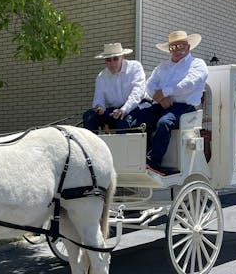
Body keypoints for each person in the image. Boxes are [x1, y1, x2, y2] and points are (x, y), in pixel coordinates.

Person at [142, 30, 208, 175]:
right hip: (161, 104)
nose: (177, 50)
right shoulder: (162, 67)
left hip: (186, 107)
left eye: (181, 46)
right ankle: (140, 160)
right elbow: (149, 85)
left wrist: (165, 92)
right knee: (140, 119)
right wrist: (160, 99)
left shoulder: (197, 64)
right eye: (173, 47)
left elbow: (189, 83)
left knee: (164, 123)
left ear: (188, 47)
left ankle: (154, 163)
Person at [82, 42, 146, 132]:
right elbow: (98, 98)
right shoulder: (101, 76)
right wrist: (99, 107)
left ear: (122, 57)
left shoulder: (135, 67)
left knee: (122, 122)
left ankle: (122, 146)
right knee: (89, 116)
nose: (112, 63)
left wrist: (124, 109)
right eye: (108, 60)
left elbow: (138, 92)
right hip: (116, 110)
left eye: (115, 59)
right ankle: (91, 145)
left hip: (138, 105)